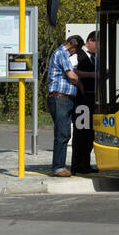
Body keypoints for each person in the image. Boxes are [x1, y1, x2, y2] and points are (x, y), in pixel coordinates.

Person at [45, 35, 83, 176]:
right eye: (76, 50)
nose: (74, 53)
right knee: (62, 133)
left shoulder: (61, 53)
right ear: (73, 45)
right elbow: (71, 76)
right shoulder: (61, 53)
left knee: (65, 132)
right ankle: (58, 167)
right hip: (60, 98)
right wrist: (80, 85)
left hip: (63, 99)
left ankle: (60, 165)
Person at [71, 32, 98, 175]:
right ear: (91, 41)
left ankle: (85, 163)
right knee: (80, 132)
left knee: (89, 133)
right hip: (81, 98)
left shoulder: (95, 58)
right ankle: (77, 164)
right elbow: (73, 72)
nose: (99, 47)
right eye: (98, 44)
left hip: (92, 98)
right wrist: (92, 75)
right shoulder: (78, 55)